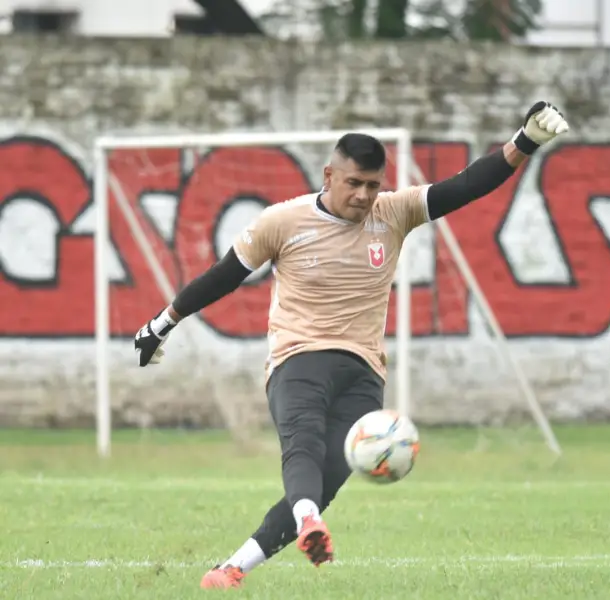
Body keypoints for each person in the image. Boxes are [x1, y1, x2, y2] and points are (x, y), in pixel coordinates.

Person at [133, 101, 570, 589]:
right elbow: (222, 278)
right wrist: (160, 324)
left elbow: (467, 186)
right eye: (354, 183)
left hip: (365, 372)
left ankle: (232, 569)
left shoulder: (394, 212)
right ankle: (303, 523)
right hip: (297, 360)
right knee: (305, 445)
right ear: (328, 175)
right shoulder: (282, 221)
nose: (364, 196)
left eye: (373, 185)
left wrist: (525, 140)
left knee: (328, 479)